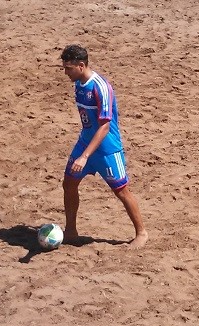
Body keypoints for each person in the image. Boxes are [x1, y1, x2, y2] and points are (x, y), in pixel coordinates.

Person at [60, 44, 148, 249]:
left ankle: (141, 232)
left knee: (121, 191)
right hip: (85, 142)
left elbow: (105, 126)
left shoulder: (100, 87)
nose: (65, 73)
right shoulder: (79, 84)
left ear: (81, 66)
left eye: (68, 68)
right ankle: (71, 231)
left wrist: (84, 157)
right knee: (69, 183)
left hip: (107, 149)